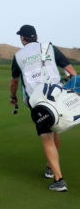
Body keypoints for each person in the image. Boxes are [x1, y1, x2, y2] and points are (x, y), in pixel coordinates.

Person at [9, 25, 77, 192]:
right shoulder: (50, 48)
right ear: (36, 36)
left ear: (23, 39)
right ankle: (49, 167)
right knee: (54, 130)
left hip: (39, 102)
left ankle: (59, 180)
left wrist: (13, 97)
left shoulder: (18, 56)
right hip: (57, 97)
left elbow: (14, 82)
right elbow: (70, 71)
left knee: (47, 137)